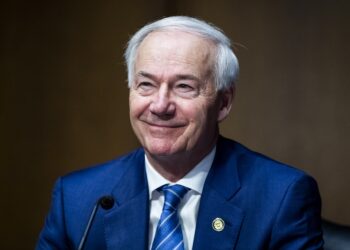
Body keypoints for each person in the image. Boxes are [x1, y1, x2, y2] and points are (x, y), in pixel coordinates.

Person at [37, 16, 323, 249]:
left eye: (184, 86)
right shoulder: (77, 199)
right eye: (146, 85)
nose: (160, 106)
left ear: (223, 103)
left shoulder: (281, 197)